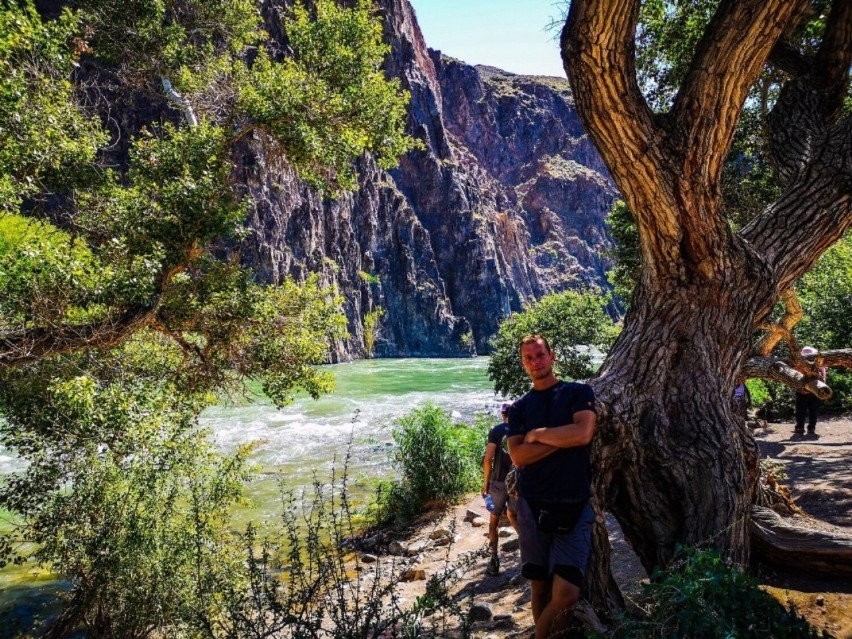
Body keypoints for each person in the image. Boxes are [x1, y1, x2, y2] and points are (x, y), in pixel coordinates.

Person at [506, 334, 596, 639]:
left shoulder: (577, 392)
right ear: (523, 364)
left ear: (552, 356)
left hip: (574, 503)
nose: (536, 362)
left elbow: (583, 434)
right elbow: (518, 456)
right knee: (539, 586)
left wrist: (538, 434)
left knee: (568, 592)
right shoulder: (519, 408)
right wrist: (562, 439)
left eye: (540, 355)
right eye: (529, 358)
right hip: (533, 505)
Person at [481, 402, 518, 576]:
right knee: (515, 516)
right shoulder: (522, 429)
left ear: (503, 414)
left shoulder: (496, 431)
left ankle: (494, 561)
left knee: (494, 520)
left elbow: (488, 459)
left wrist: (485, 483)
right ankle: (530, 557)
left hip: (498, 482)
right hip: (517, 481)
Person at [795, 346, 827, 437]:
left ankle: (799, 427)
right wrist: (824, 387)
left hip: (803, 387)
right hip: (817, 387)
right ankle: (811, 428)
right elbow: (824, 375)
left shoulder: (800, 363)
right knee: (814, 409)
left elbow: (796, 375)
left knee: (801, 408)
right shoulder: (819, 363)